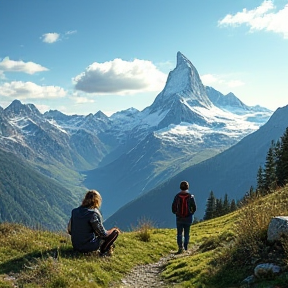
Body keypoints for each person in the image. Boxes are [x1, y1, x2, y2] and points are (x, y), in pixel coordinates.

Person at [67, 190, 119, 255]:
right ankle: (104, 250)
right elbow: (102, 233)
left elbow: (69, 230)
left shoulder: (75, 211)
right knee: (115, 232)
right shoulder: (92, 214)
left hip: (76, 245)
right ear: (97, 201)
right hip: (88, 246)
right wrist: (111, 230)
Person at [172, 181, 196, 253]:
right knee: (186, 233)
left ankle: (180, 247)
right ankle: (186, 247)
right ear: (187, 187)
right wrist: (191, 213)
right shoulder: (190, 196)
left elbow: (173, 207)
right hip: (188, 218)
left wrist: (176, 213)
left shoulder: (177, 196)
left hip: (179, 218)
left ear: (180, 187)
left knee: (179, 233)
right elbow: (194, 207)